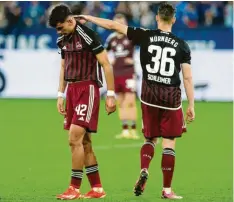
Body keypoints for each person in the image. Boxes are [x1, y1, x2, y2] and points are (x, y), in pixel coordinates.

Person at [78, 2, 195, 199]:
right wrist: (191, 104)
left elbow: (114, 26)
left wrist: (88, 18)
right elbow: (188, 77)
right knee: (169, 142)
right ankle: (167, 190)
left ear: (157, 18)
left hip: (149, 96)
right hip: (171, 97)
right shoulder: (182, 45)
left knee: (150, 139)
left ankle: (144, 169)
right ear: (173, 19)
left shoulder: (145, 35)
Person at [48, 4, 116, 200]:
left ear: (71, 21)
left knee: (74, 139)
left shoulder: (87, 35)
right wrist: (60, 94)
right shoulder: (62, 39)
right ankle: (97, 188)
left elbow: (106, 64)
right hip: (72, 90)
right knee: (84, 142)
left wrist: (110, 94)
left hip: (88, 89)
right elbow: (63, 66)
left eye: (61, 27)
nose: (58, 32)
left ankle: (74, 188)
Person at [105, 13, 139, 140]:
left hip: (129, 72)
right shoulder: (111, 38)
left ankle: (134, 129)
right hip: (116, 73)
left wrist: (135, 60)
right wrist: (109, 61)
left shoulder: (131, 36)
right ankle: (125, 129)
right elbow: (103, 52)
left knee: (130, 101)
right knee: (120, 102)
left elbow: (144, 49)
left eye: (121, 22)